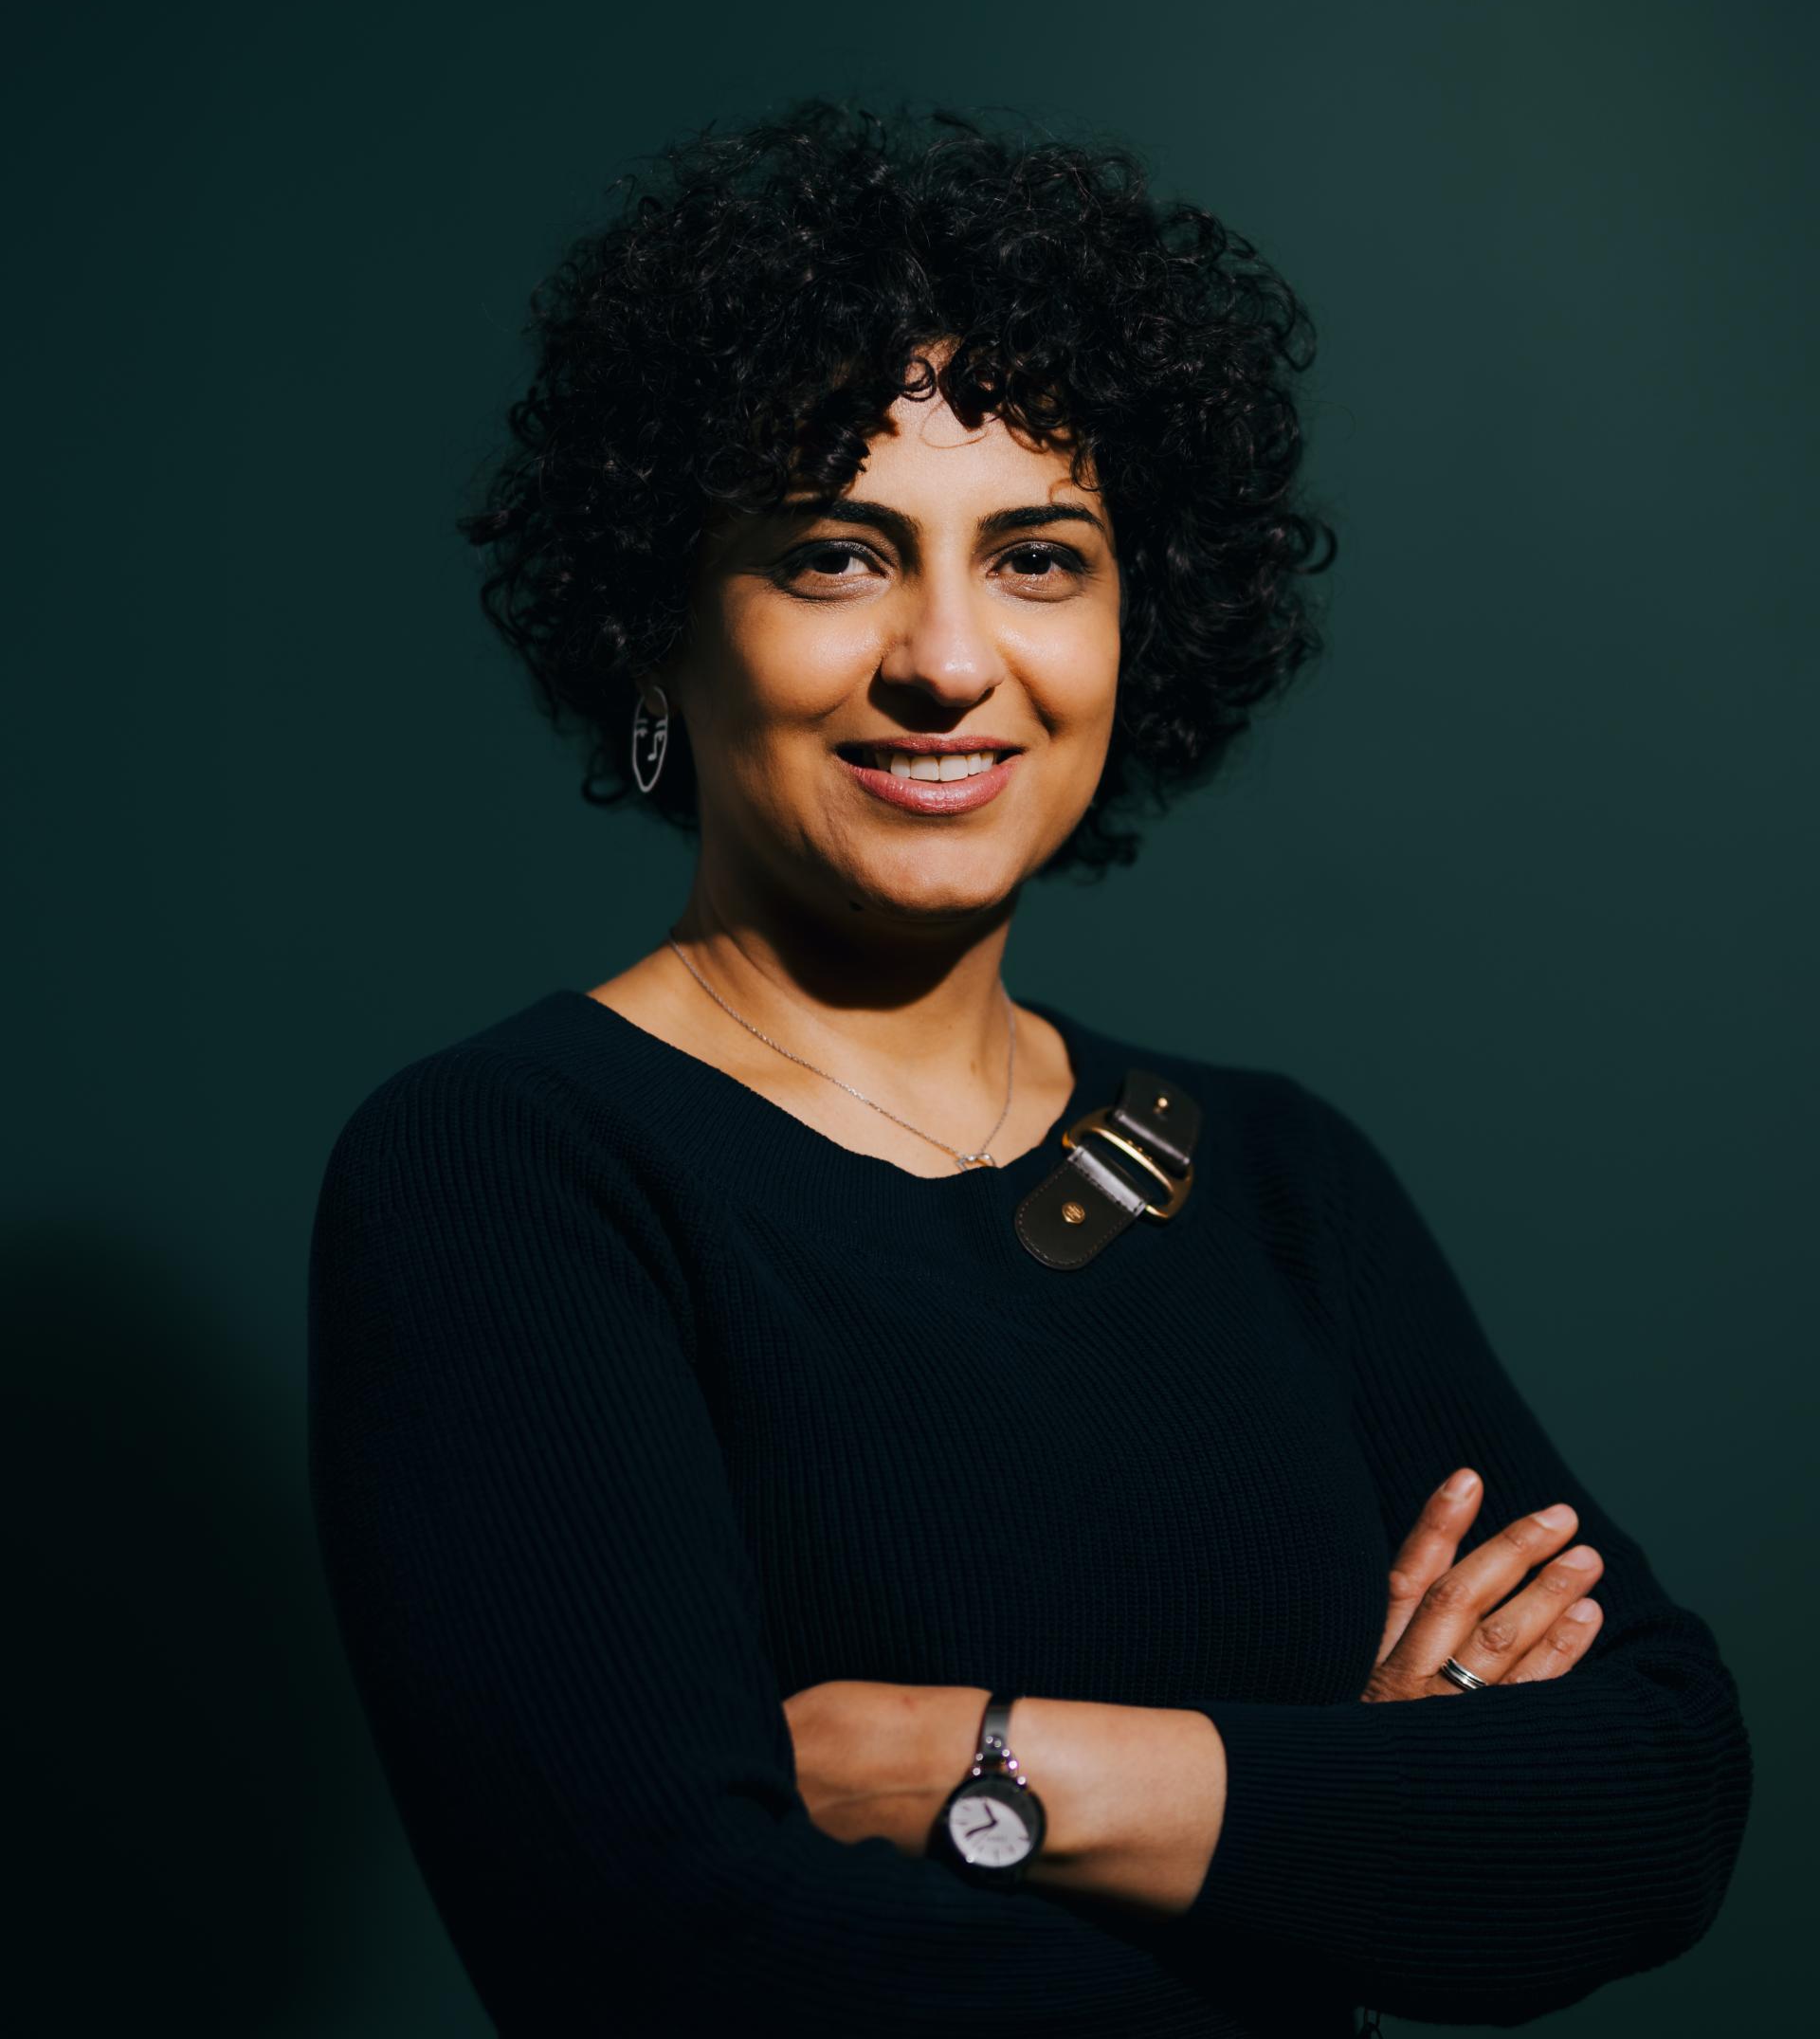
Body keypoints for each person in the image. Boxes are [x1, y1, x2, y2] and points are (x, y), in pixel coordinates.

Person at [307, 100, 1753, 2036]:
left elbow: (1652, 1800)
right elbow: (673, 1949)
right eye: (836, 555)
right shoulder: (505, 1171)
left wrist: (982, 1776)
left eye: (1042, 557)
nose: (950, 660)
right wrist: (1356, 1798)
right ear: (659, 631)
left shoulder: (1271, 1176)